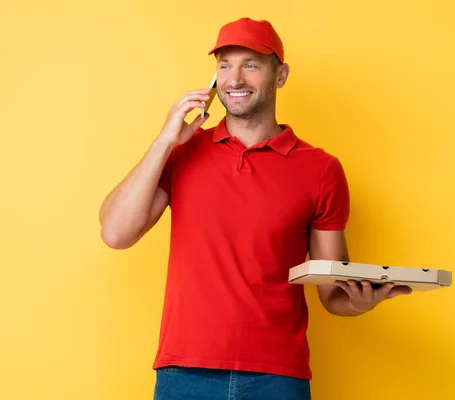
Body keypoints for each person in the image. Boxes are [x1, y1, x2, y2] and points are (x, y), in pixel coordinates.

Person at [99, 17, 412, 400]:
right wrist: (165, 140)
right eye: (225, 65)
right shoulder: (182, 154)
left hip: (277, 377)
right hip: (185, 373)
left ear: (280, 75)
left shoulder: (321, 170)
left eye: (250, 64)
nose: (235, 79)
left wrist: (359, 302)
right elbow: (115, 233)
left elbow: (333, 294)